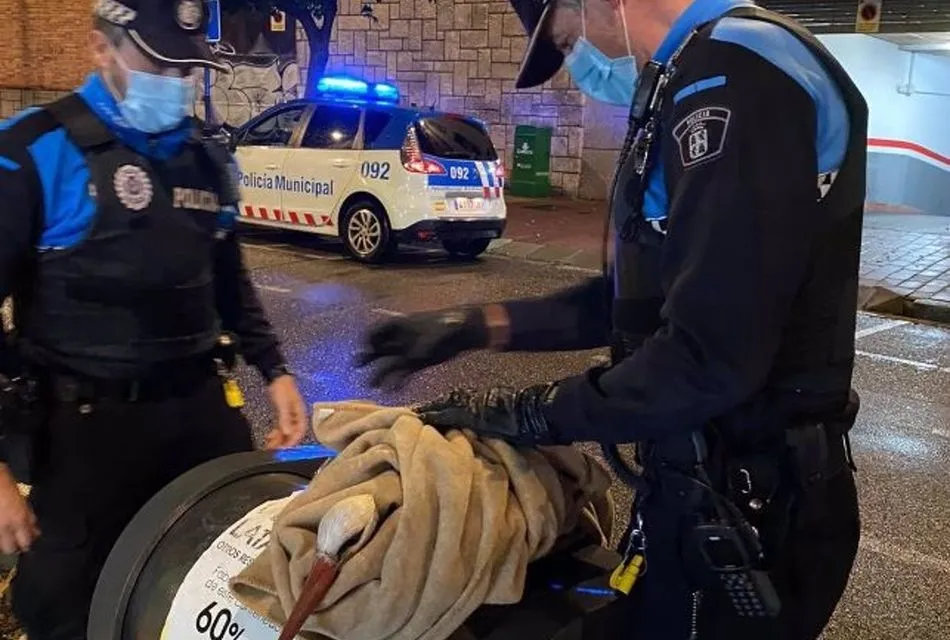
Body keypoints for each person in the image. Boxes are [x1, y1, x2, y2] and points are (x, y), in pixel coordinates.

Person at [357, 0, 867, 637]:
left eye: (568, 37)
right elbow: (643, 302)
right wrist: (476, 324)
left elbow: (708, 358)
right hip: (707, 495)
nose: (580, 61)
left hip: (753, 512)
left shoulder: (735, 76)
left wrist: (530, 414)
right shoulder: (696, 71)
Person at [0, 1, 308, 637]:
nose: (175, 84)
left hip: (198, 411)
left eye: (187, 70)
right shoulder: (35, 151)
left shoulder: (205, 157)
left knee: (227, 582)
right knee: (68, 606)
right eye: (159, 65)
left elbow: (227, 279)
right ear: (101, 48)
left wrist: (274, 370)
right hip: (86, 431)